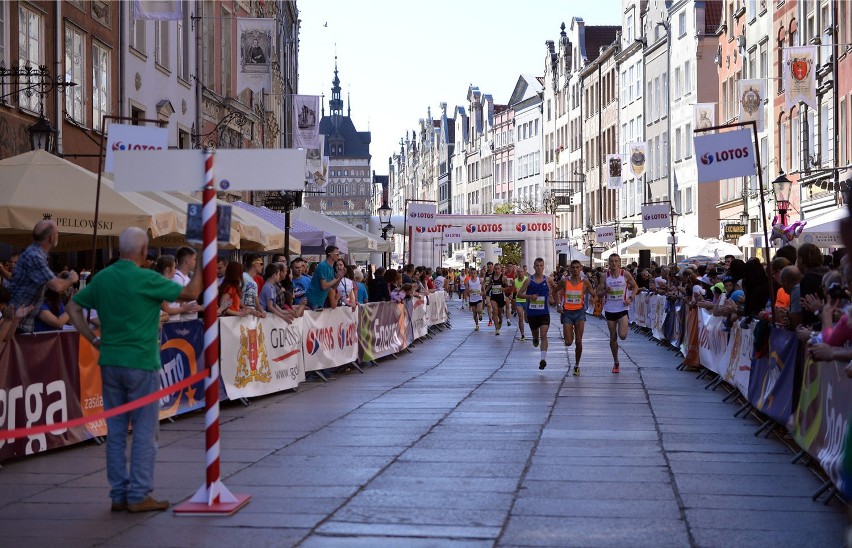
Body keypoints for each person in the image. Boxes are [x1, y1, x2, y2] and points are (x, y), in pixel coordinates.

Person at [67, 227, 202, 513]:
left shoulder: (103, 278)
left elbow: (73, 307)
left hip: (110, 361)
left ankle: (118, 493)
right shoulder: (146, 278)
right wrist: (202, 258)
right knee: (143, 430)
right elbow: (191, 292)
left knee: (115, 431)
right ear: (143, 251)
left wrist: (92, 340)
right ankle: (139, 494)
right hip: (141, 362)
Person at [9, 220, 79, 333]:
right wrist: (71, 279)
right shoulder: (35, 256)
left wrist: (57, 276)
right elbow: (57, 287)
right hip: (18, 323)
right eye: (57, 233)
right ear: (51, 238)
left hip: (21, 321)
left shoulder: (34, 253)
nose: (58, 236)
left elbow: (35, 281)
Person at [597, 254, 638, 374]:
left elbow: (635, 287)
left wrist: (630, 298)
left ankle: (624, 327)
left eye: (616, 261)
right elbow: (598, 293)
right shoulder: (605, 276)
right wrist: (605, 291)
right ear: (608, 263)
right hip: (610, 309)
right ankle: (616, 362)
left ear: (619, 262)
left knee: (623, 336)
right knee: (613, 337)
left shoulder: (625, 274)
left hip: (622, 308)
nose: (614, 263)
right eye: (611, 261)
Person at [517, 257, 558, 369]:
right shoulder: (529, 280)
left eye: (541, 266)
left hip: (544, 312)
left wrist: (556, 300)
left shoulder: (548, 280)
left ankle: (543, 359)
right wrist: (530, 296)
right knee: (536, 335)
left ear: (543, 267)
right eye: (537, 266)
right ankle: (535, 339)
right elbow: (519, 294)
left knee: (543, 335)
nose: (539, 268)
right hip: (532, 313)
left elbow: (556, 289)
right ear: (534, 267)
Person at [558, 260, 597, 375]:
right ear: (570, 269)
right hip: (567, 313)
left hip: (580, 312)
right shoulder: (564, 281)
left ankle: (576, 365)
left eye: (577, 268)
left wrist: (593, 300)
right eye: (573, 268)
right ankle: (571, 333)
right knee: (569, 342)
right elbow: (555, 291)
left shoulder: (585, 282)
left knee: (579, 341)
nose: (575, 270)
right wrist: (558, 305)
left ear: (580, 269)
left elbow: (594, 295)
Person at [484, 263, 511, 336]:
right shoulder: (491, 277)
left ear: (500, 269)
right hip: (494, 297)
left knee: (499, 314)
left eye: (498, 269)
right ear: (494, 269)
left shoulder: (503, 277)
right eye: (495, 269)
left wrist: (503, 289)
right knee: (494, 312)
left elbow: (508, 287)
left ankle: (501, 321)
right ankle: (497, 329)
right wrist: (485, 291)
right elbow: (489, 284)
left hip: (501, 297)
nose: (497, 270)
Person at [513, 267, 529, 341]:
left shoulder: (527, 279)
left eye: (521, 272)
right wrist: (511, 296)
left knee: (527, 320)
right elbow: (513, 291)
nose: (520, 273)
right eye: (518, 272)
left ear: (524, 272)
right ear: (516, 273)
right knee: (520, 317)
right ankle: (522, 335)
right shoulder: (515, 281)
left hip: (526, 301)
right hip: (519, 301)